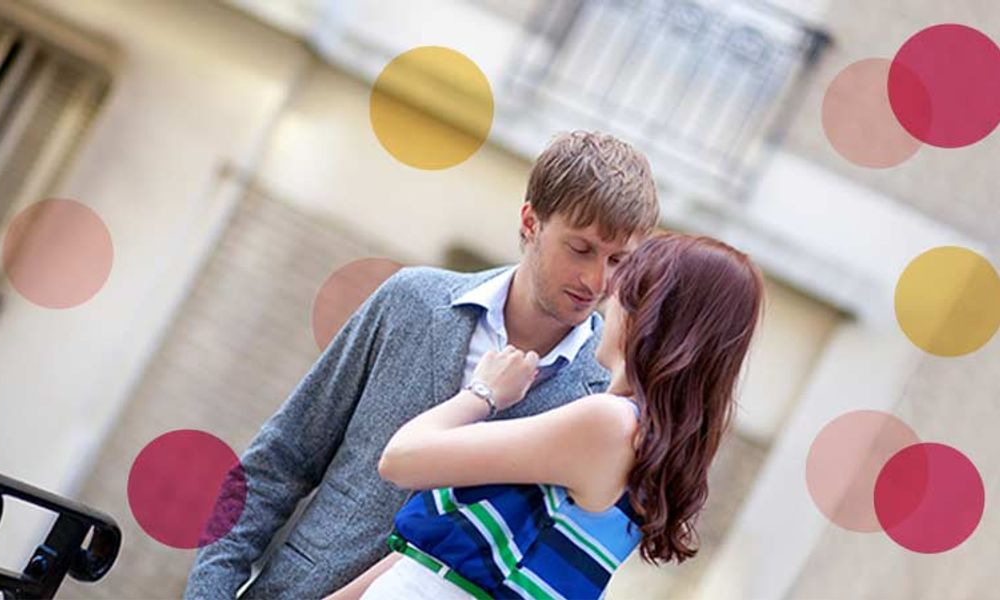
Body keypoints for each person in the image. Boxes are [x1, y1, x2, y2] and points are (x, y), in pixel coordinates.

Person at [184, 131, 660, 599]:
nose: (598, 279)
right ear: (531, 223)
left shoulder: (604, 403)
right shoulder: (410, 301)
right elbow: (280, 462)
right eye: (581, 249)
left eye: (620, 261)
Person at [331, 233, 765, 599]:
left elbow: (402, 458)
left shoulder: (610, 425)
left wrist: (484, 392)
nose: (607, 295)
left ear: (649, 314)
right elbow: (435, 558)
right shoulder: (635, 439)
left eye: (625, 285)